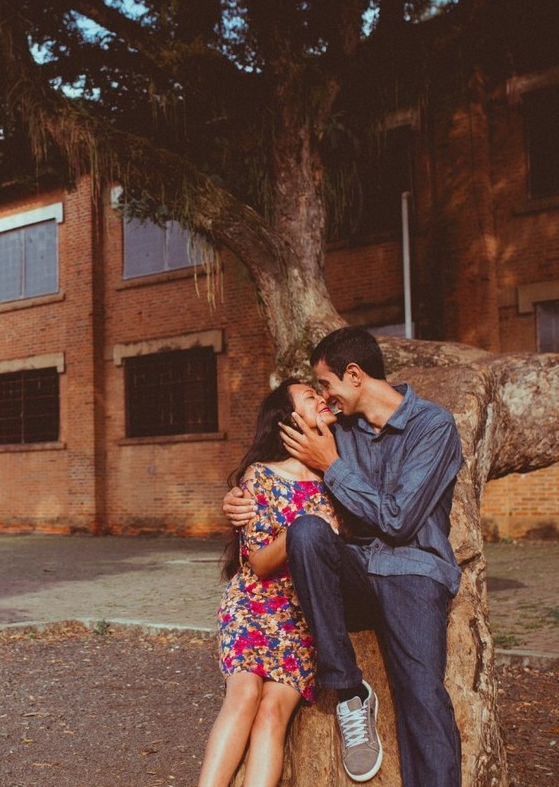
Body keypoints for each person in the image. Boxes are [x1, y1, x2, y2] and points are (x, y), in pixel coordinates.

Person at [223, 327, 464, 787]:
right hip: (354, 570)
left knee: (424, 698)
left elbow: (398, 520)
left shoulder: (432, 426)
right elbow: (280, 461)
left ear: (354, 375)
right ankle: (350, 689)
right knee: (309, 531)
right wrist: (237, 497)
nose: (325, 398)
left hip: (413, 571)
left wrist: (333, 465)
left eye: (327, 385)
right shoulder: (341, 428)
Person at [198, 379, 342, 787]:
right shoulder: (260, 476)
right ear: (289, 421)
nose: (322, 399)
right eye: (310, 397)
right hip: (253, 604)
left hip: (302, 613)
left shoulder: (338, 477)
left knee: (271, 712)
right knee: (243, 696)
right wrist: (306, 526)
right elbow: (260, 563)